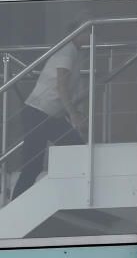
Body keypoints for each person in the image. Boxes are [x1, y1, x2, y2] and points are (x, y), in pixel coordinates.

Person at [11, 24, 86, 200]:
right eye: (87, 31)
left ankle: (68, 194)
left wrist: (71, 112)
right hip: (38, 113)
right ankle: (15, 208)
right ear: (76, 33)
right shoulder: (68, 50)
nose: (91, 35)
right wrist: (74, 114)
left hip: (51, 114)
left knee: (76, 148)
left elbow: (61, 90)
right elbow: (61, 86)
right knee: (33, 166)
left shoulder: (75, 51)